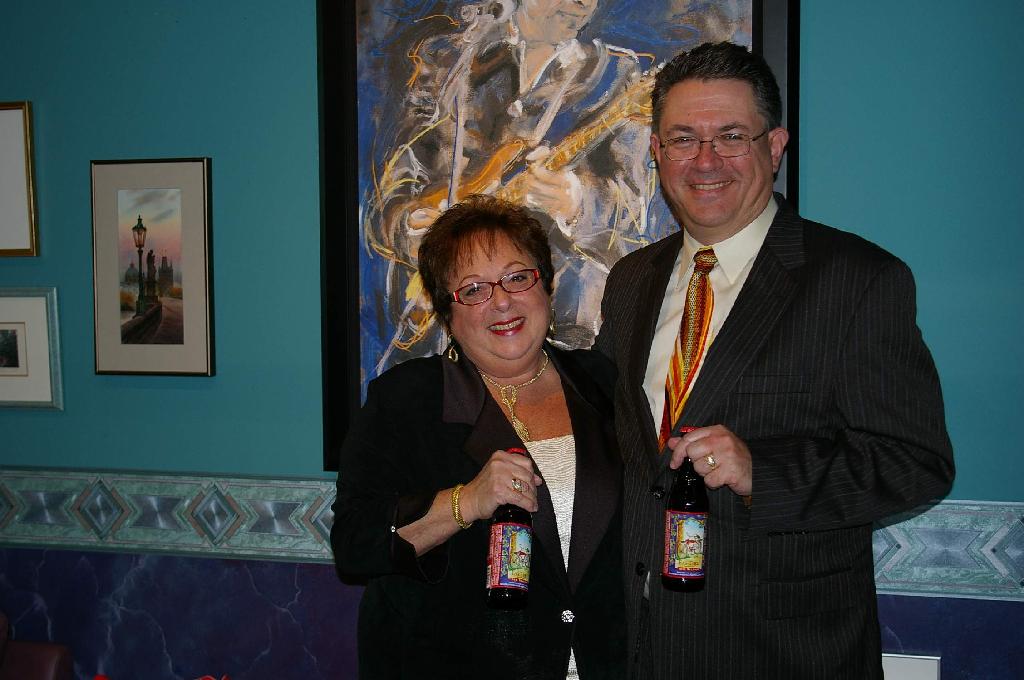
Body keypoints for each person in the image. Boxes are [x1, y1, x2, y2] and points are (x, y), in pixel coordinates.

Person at [594, 42, 954, 679]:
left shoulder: (857, 280)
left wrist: (763, 471)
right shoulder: (630, 281)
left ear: (776, 146)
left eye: (732, 136)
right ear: (656, 151)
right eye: (683, 139)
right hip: (645, 647)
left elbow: (916, 464)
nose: (706, 160)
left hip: (786, 652)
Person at [332, 194, 625, 679]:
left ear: (545, 284)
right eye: (473, 290)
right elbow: (355, 545)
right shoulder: (406, 399)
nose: (502, 301)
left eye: (517, 277)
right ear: (447, 313)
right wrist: (464, 502)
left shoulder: (603, 384)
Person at [362, 0, 661, 375]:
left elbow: (634, 216)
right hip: (438, 341)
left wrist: (576, 201)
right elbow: (399, 176)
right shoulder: (448, 60)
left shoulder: (617, 75)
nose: (581, 3)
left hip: (565, 333)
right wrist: (411, 227)